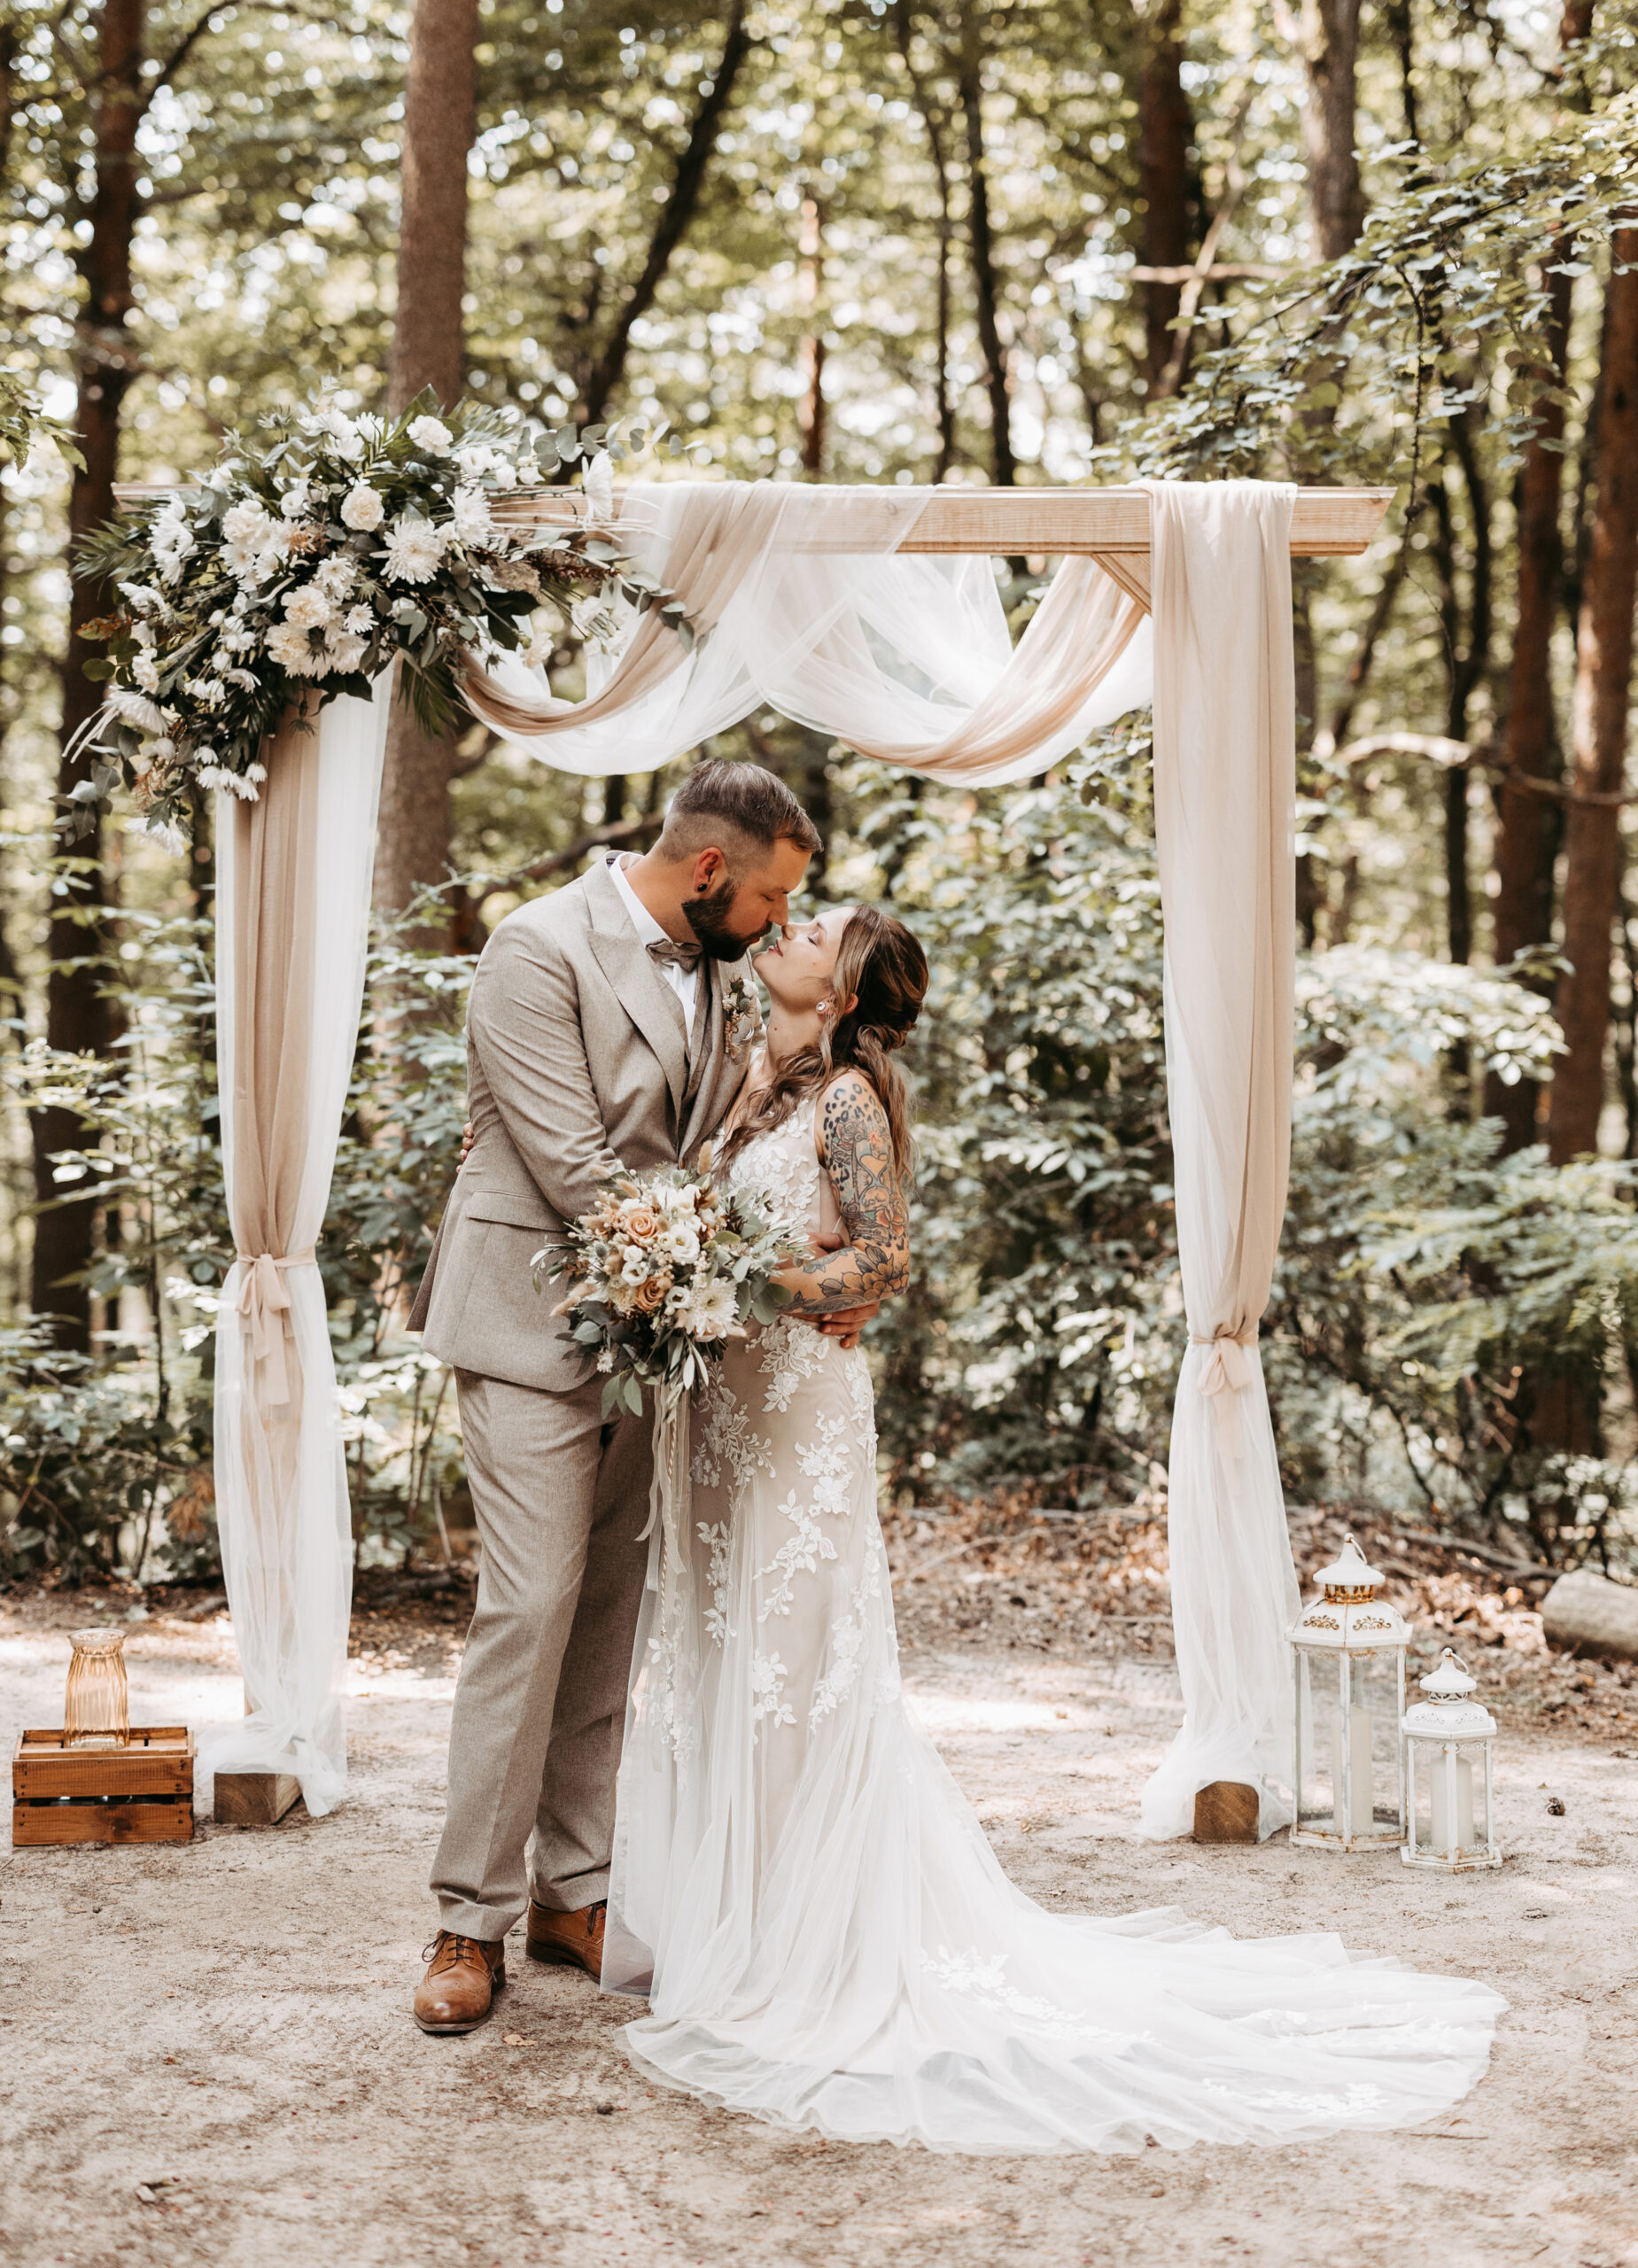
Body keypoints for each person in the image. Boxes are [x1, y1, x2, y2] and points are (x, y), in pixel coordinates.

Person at [601, 901, 1507, 2153]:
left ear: (846, 987)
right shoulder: (746, 1078)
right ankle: (729, 1922)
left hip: (799, 1421)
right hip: (714, 1418)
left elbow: (878, 1265)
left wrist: (728, 1276)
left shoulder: (852, 1101)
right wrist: (677, 1273)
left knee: (796, 1670)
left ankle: (812, 1940)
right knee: (719, 1650)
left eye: (816, 927)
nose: (790, 927)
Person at [405, 762, 874, 2035]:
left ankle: (576, 1889)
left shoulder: (726, 971)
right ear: (710, 870)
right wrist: (758, 1280)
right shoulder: (532, 948)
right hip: (529, 1323)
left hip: (660, 1337)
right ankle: (467, 1919)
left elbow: (730, 1139)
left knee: (612, 1607)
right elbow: (574, 1167)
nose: (783, 923)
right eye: (772, 895)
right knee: (532, 1603)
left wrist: (820, 1268)